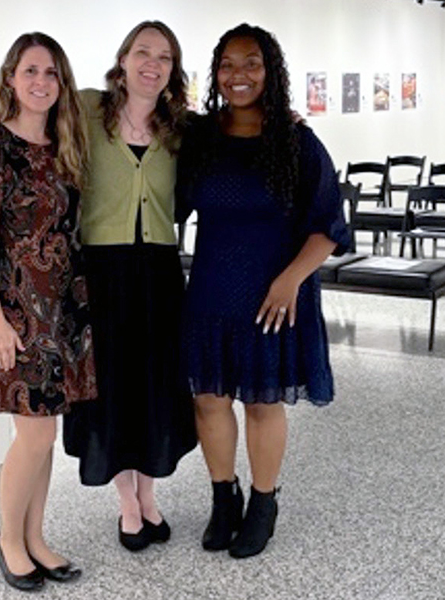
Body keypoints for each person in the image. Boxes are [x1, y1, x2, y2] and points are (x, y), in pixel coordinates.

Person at [0, 21, 197, 554]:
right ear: (123, 59)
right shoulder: (89, 109)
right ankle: (127, 504)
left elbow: (236, 133)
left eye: (164, 57)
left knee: (154, 386)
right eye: (142, 52)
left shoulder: (183, 127)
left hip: (159, 275)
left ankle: (149, 495)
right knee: (112, 390)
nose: (152, 64)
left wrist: (285, 118)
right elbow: (33, 107)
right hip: (100, 275)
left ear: (173, 70)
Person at [177, 23, 350, 559]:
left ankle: (264, 503)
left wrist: (291, 278)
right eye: (227, 65)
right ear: (215, 74)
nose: (239, 75)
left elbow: (329, 226)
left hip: (274, 297)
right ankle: (223, 497)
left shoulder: (298, 142)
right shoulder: (201, 139)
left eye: (251, 63)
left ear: (270, 70)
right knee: (209, 399)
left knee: (261, 401)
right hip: (212, 290)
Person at [0, 32, 94, 593]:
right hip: (14, 312)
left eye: (51, 72)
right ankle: (8, 540)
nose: (41, 82)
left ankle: (36, 539)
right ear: (11, 77)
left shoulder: (65, 144)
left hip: (61, 312)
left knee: (46, 433)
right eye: (30, 70)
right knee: (33, 436)